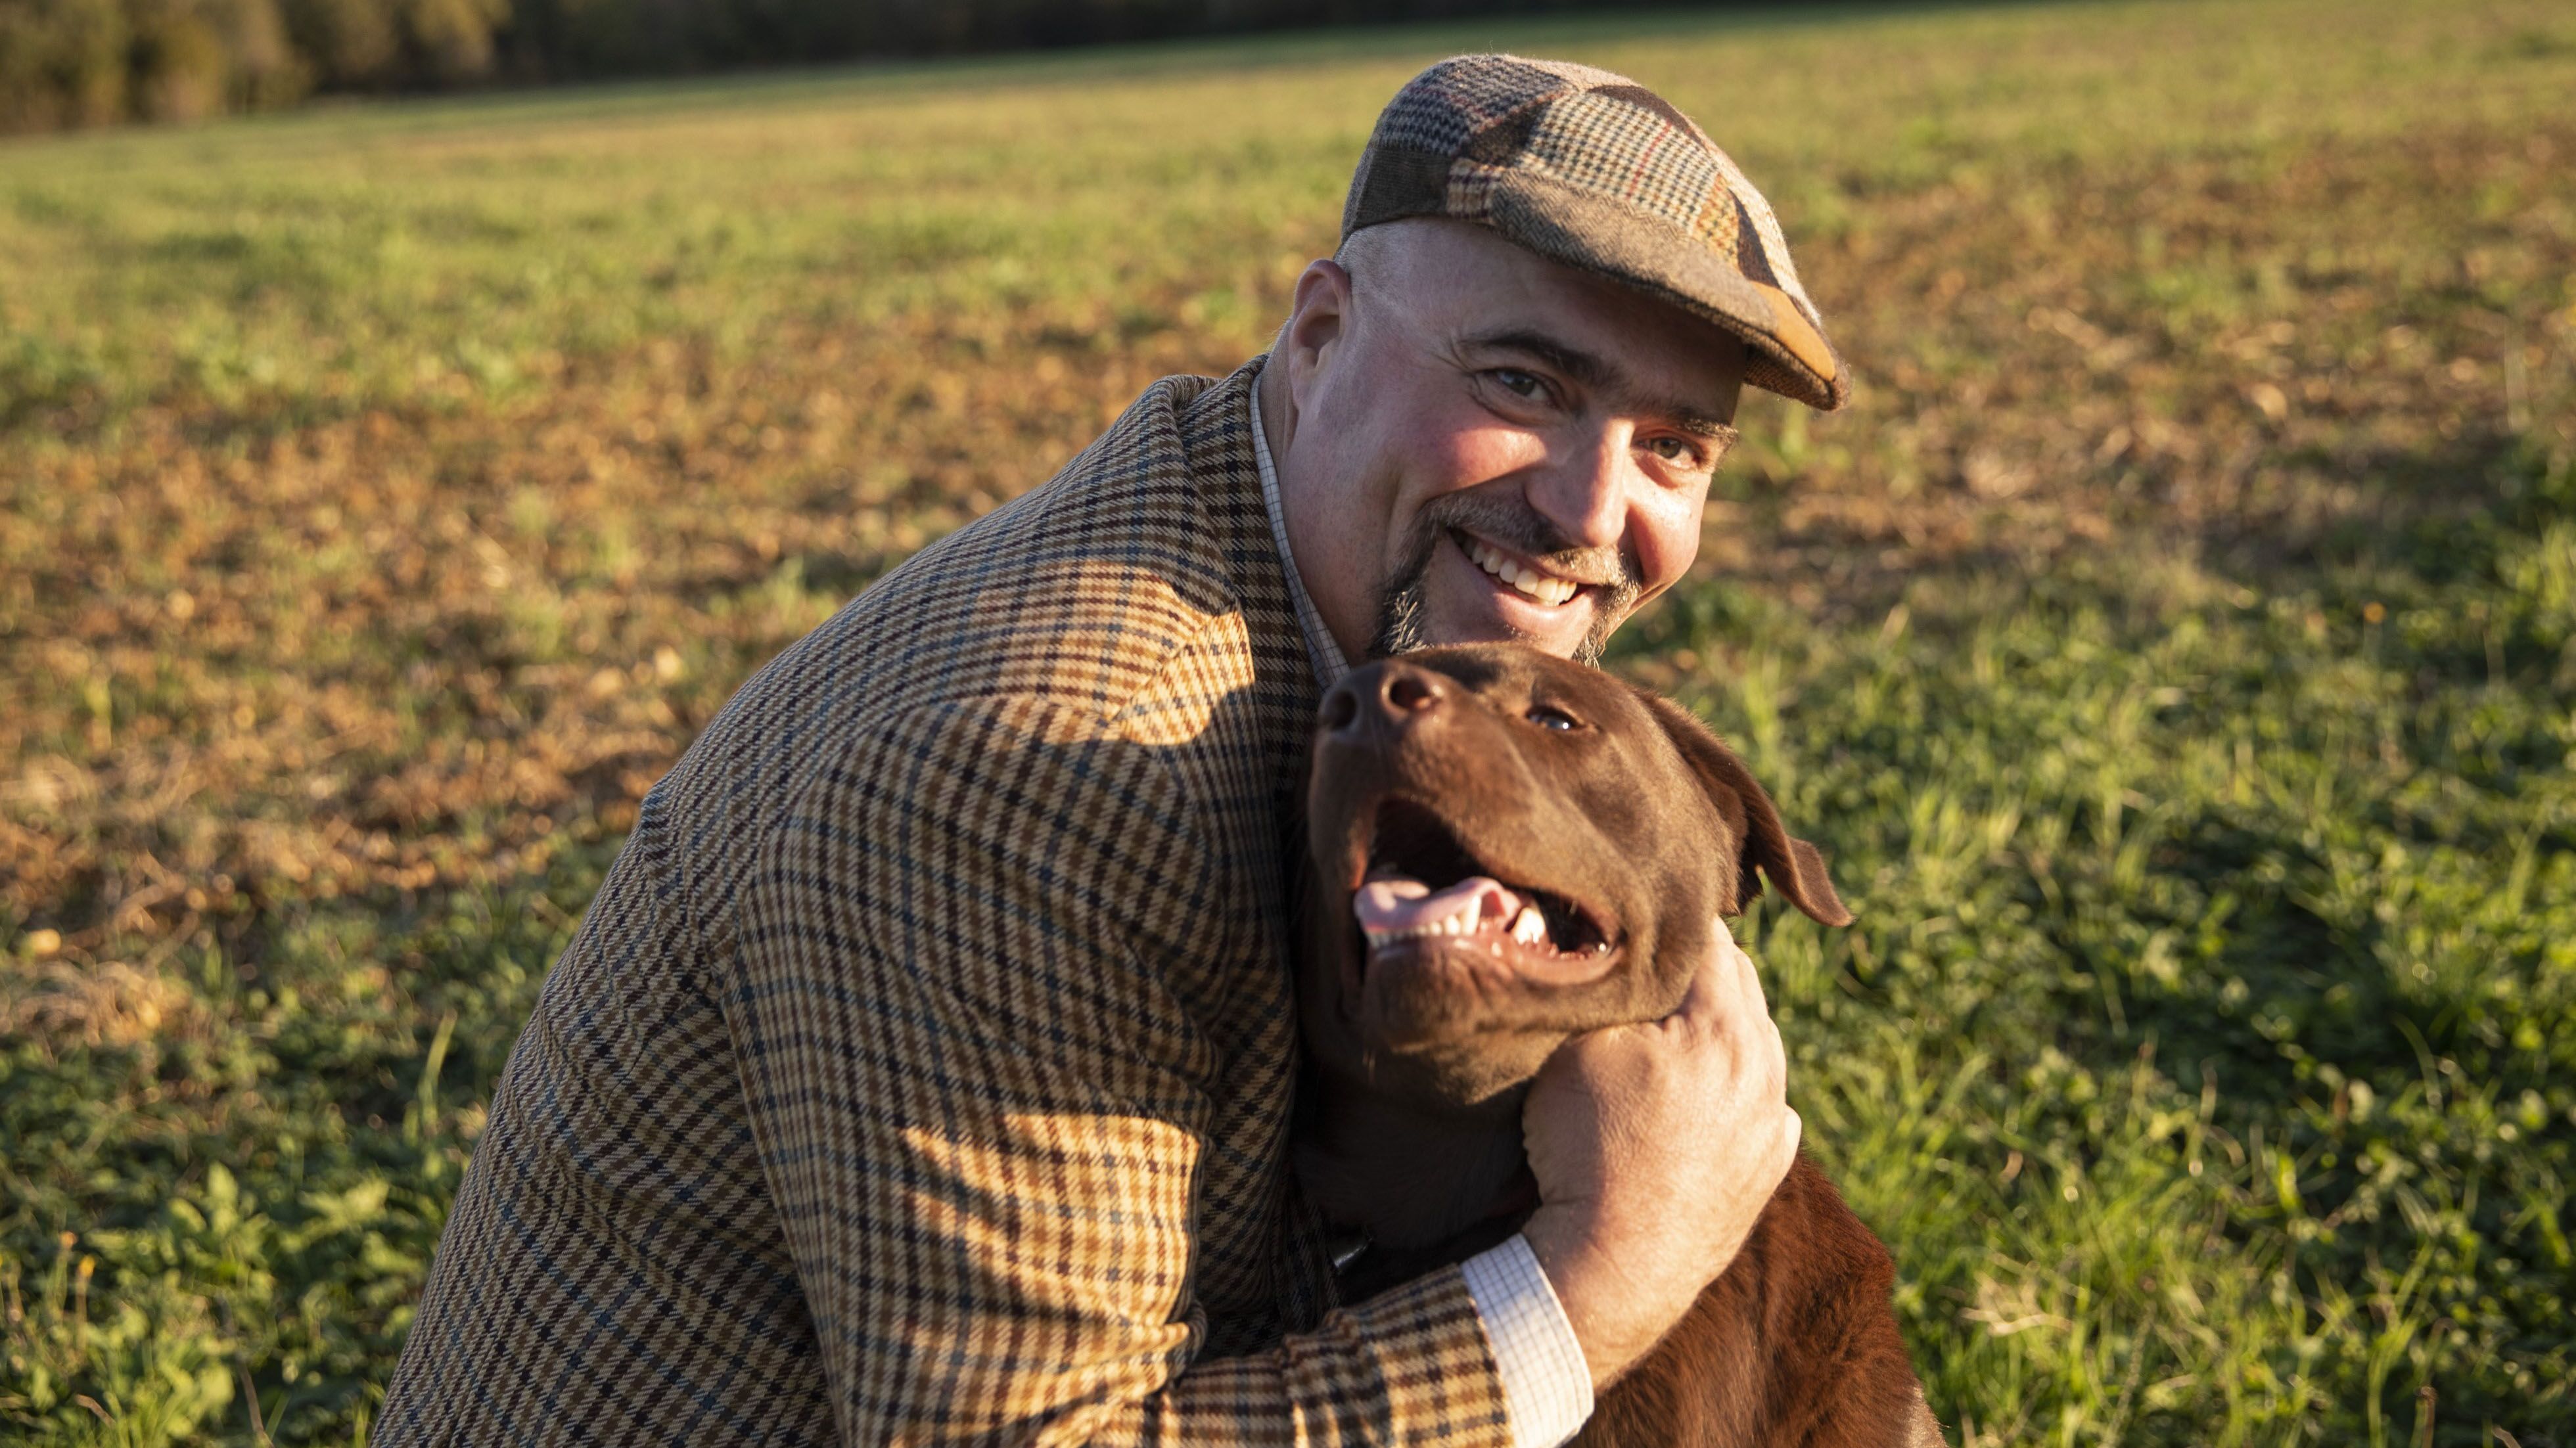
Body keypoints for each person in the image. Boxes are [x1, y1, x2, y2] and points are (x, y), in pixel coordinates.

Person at [377, 53, 1852, 1447]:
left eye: (1676, 446)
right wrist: (1599, 1276)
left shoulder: (1298, 553)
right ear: (1321, 333)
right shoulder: (1052, 766)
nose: (1598, 513)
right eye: (1525, 385)